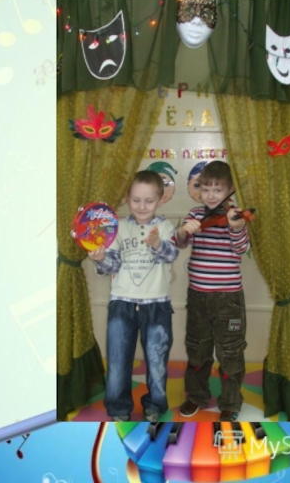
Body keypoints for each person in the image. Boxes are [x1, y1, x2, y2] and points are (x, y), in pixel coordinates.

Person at [88, 171, 179, 422]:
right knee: (118, 361)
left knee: (157, 360)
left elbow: (171, 255)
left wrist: (156, 243)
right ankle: (118, 408)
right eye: (136, 200)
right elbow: (113, 265)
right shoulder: (118, 227)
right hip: (122, 304)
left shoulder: (165, 226)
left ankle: (155, 405)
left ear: (160, 199)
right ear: (127, 198)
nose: (142, 206)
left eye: (149, 201)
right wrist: (101, 258)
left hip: (157, 305)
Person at [174, 160, 250, 422]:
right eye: (205, 189)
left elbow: (241, 249)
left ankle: (230, 401)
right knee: (197, 349)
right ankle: (196, 396)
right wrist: (183, 231)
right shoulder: (195, 214)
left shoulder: (234, 216)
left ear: (230, 190)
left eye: (217, 190)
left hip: (228, 299)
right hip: (198, 296)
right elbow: (179, 242)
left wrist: (236, 228)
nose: (210, 195)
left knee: (230, 352)